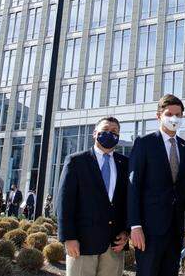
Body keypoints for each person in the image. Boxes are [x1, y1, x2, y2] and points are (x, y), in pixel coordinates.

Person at [128, 94, 185, 276]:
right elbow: (133, 186)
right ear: (158, 115)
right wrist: (135, 225)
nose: (174, 118)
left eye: (179, 114)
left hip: (175, 230)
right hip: (148, 231)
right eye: (169, 113)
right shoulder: (144, 143)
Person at [58, 116, 130, 276]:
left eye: (114, 131)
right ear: (95, 133)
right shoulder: (76, 161)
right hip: (82, 245)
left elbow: (128, 202)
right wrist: (68, 237)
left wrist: (126, 232)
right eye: (105, 130)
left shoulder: (125, 164)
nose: (110, 134)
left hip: (114, 246)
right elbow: (65, 201)